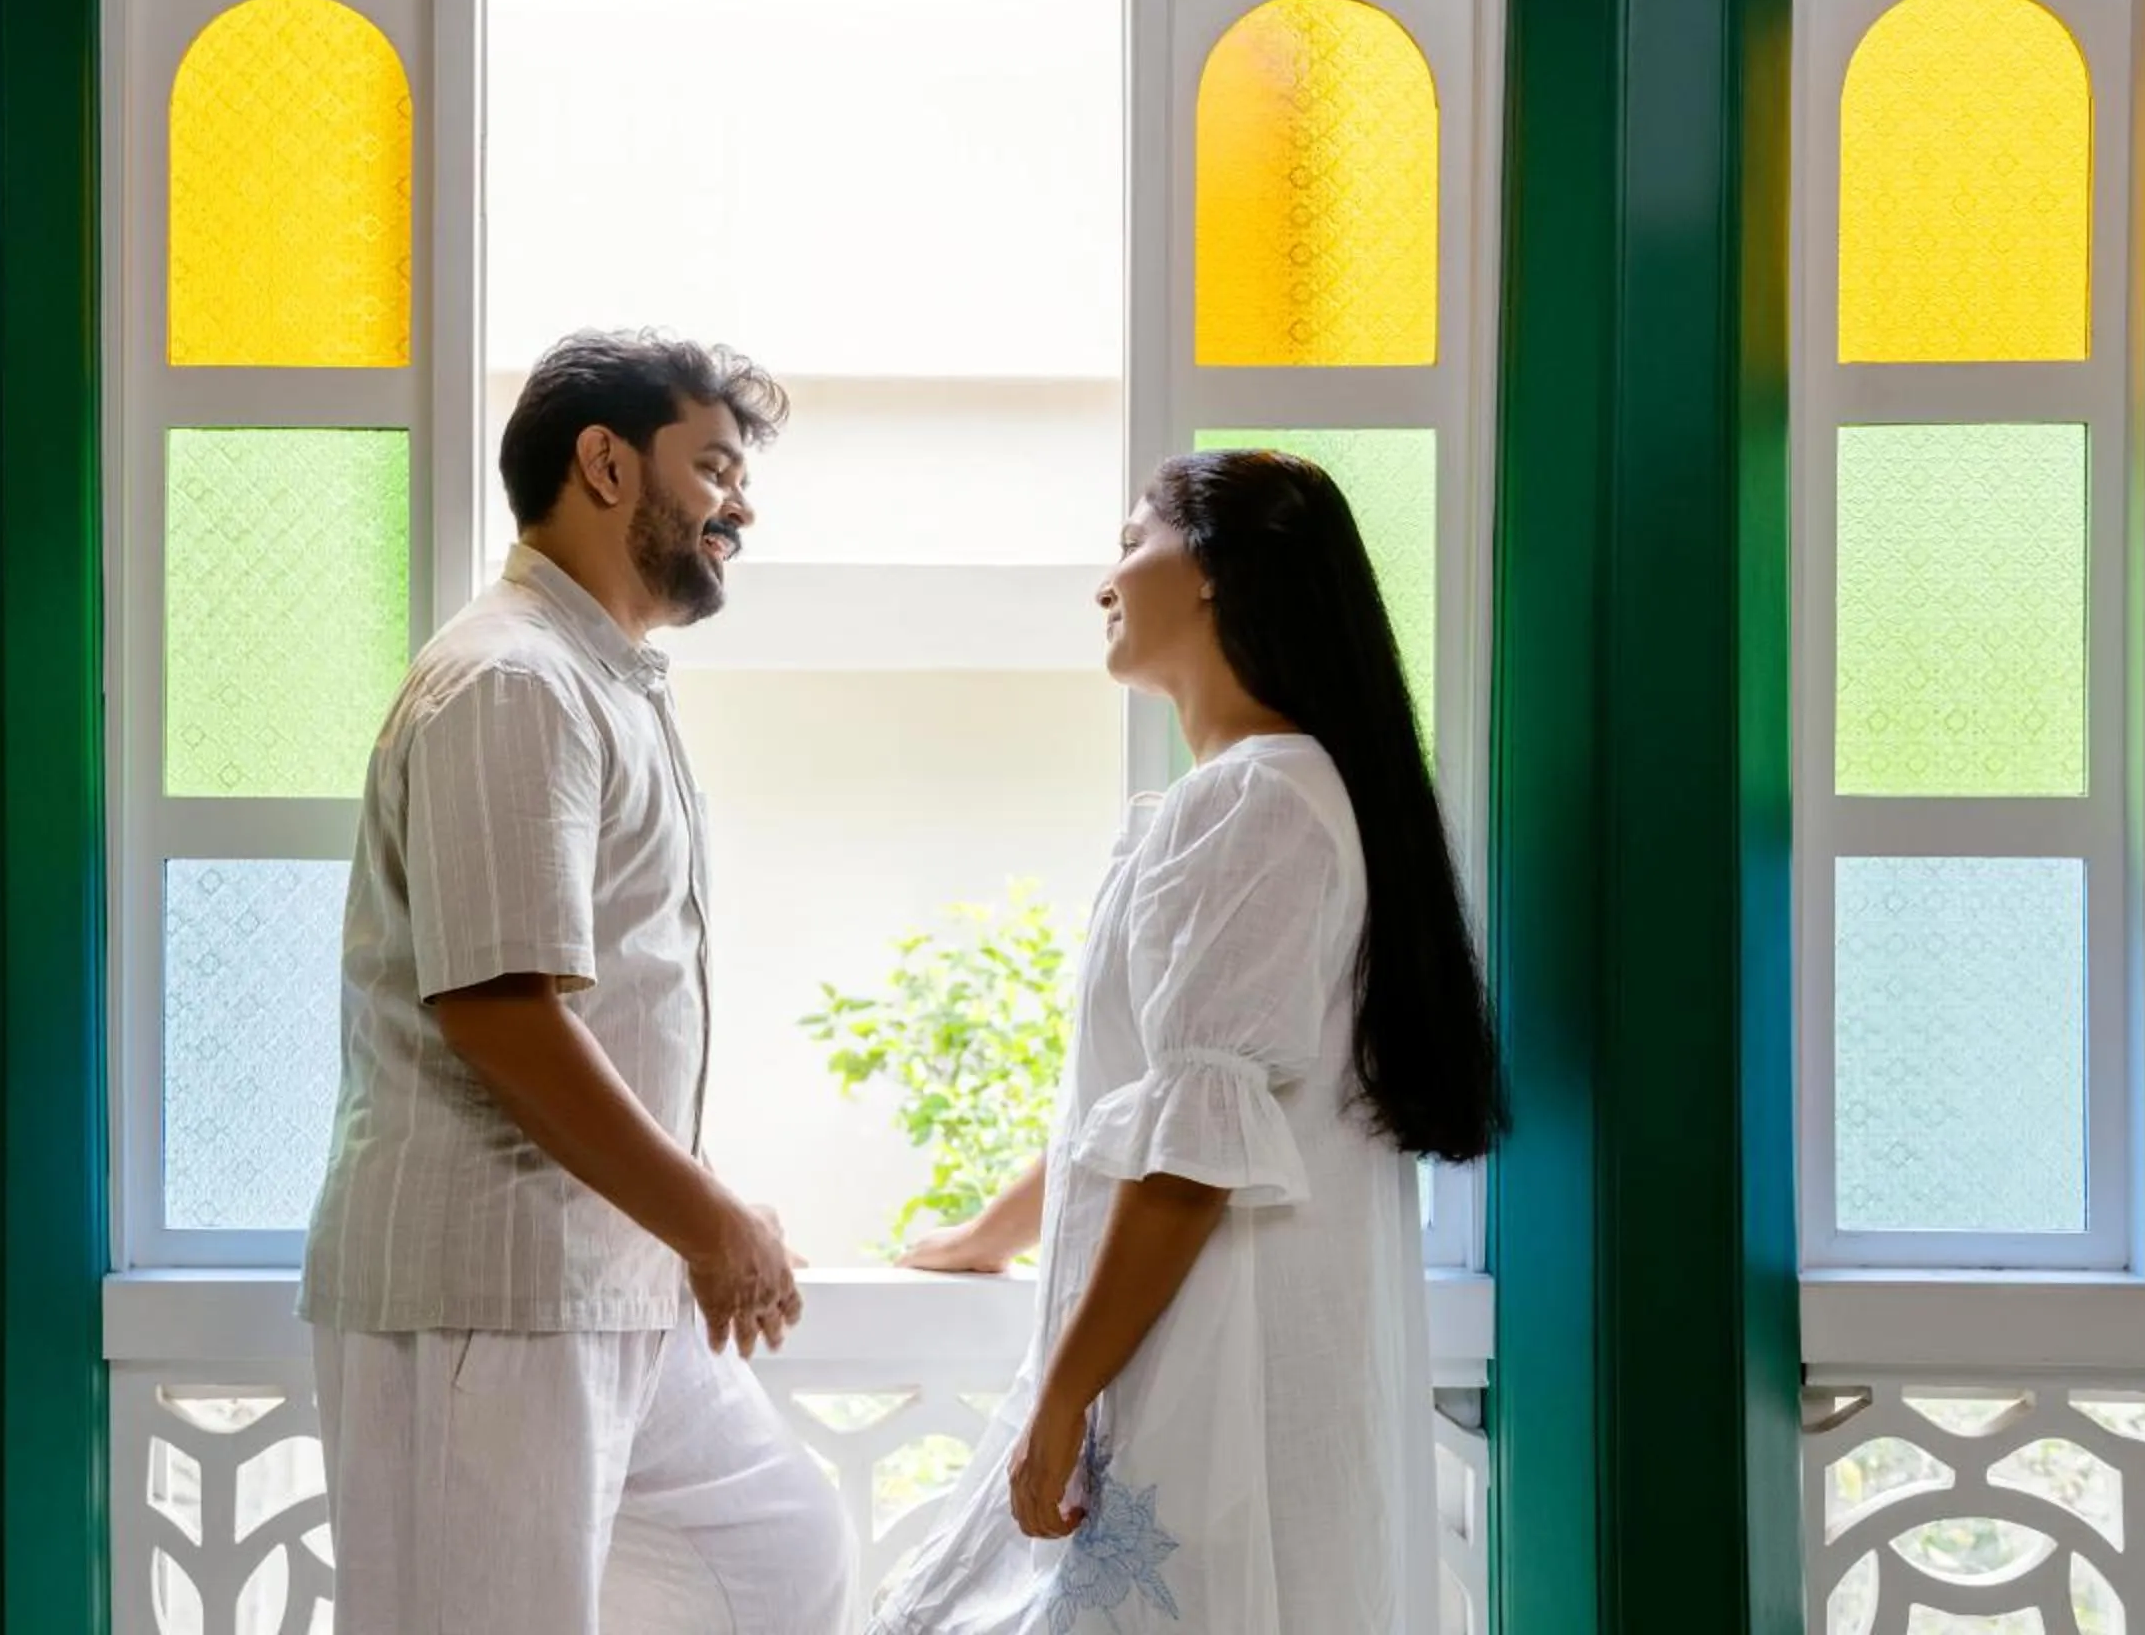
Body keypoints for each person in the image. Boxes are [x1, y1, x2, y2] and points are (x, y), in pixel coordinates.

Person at [872, 448, 1509, 1635]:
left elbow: (1195, 1152)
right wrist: (987, 1232)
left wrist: (1064, 1392)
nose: (1104, 581)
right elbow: (1153, 1101)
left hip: (1209, 1360)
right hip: (1200, 1349)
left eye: (1130, 542)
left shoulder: (1260, 797)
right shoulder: (1255, 793)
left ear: (1212, 570)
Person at [301, 331, 858, 1635]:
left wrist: (689, 1220)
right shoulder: (514, 681)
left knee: (776, 1549)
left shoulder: (593, 680)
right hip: (487, 1298)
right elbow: (499, 1010)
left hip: (611, 1281)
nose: (742, 505)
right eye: (714, 466)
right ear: (605, 464)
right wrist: (714, 1220)